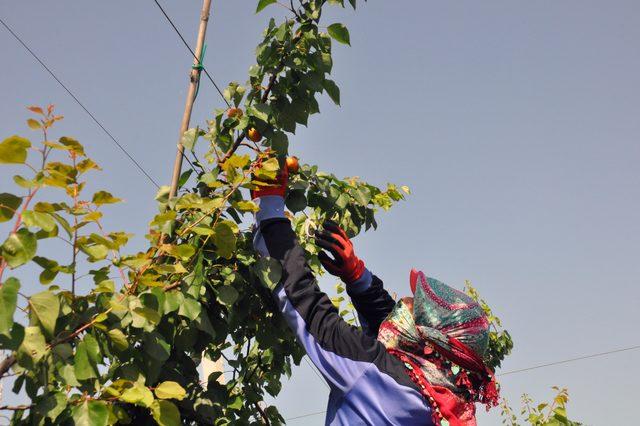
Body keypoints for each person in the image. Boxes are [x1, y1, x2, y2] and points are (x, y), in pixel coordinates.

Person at [251, 165, 499, 426]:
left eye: (413, 309)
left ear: (424, 339)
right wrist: (359, 278)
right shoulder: (444, 401)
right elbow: (392, 342)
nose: (404, 304)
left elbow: (304, 301)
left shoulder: (372, 373)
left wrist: (269, 207)